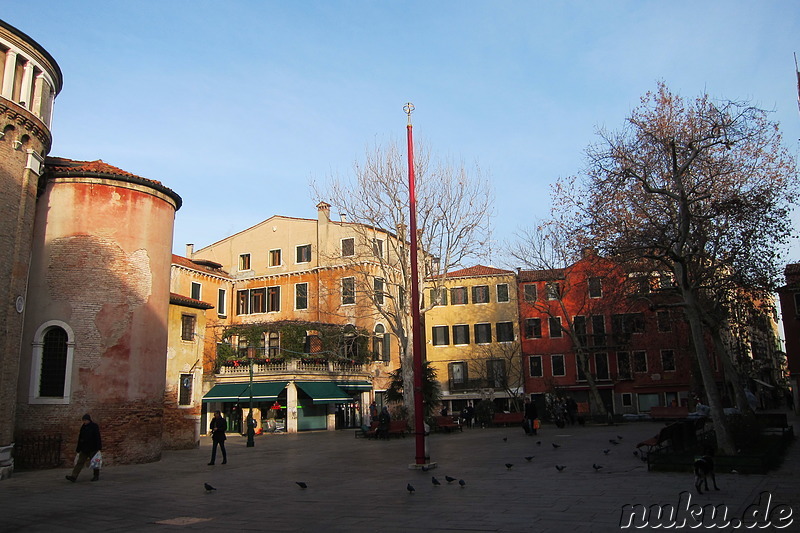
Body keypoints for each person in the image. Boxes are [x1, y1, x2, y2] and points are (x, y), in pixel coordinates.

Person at [66, 413, 102, 482]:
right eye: (83, 420)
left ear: (88, 420)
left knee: (94, 462)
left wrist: (98, 447)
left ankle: (96, 475)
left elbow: (97, 437)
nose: (84, 422)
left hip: (93, 448)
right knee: (79, 462)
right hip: (84, 448)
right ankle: (74, 476)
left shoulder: (94, 426)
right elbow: (80, 438)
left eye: (85, 420)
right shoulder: (83, 427)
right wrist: (78, 448)